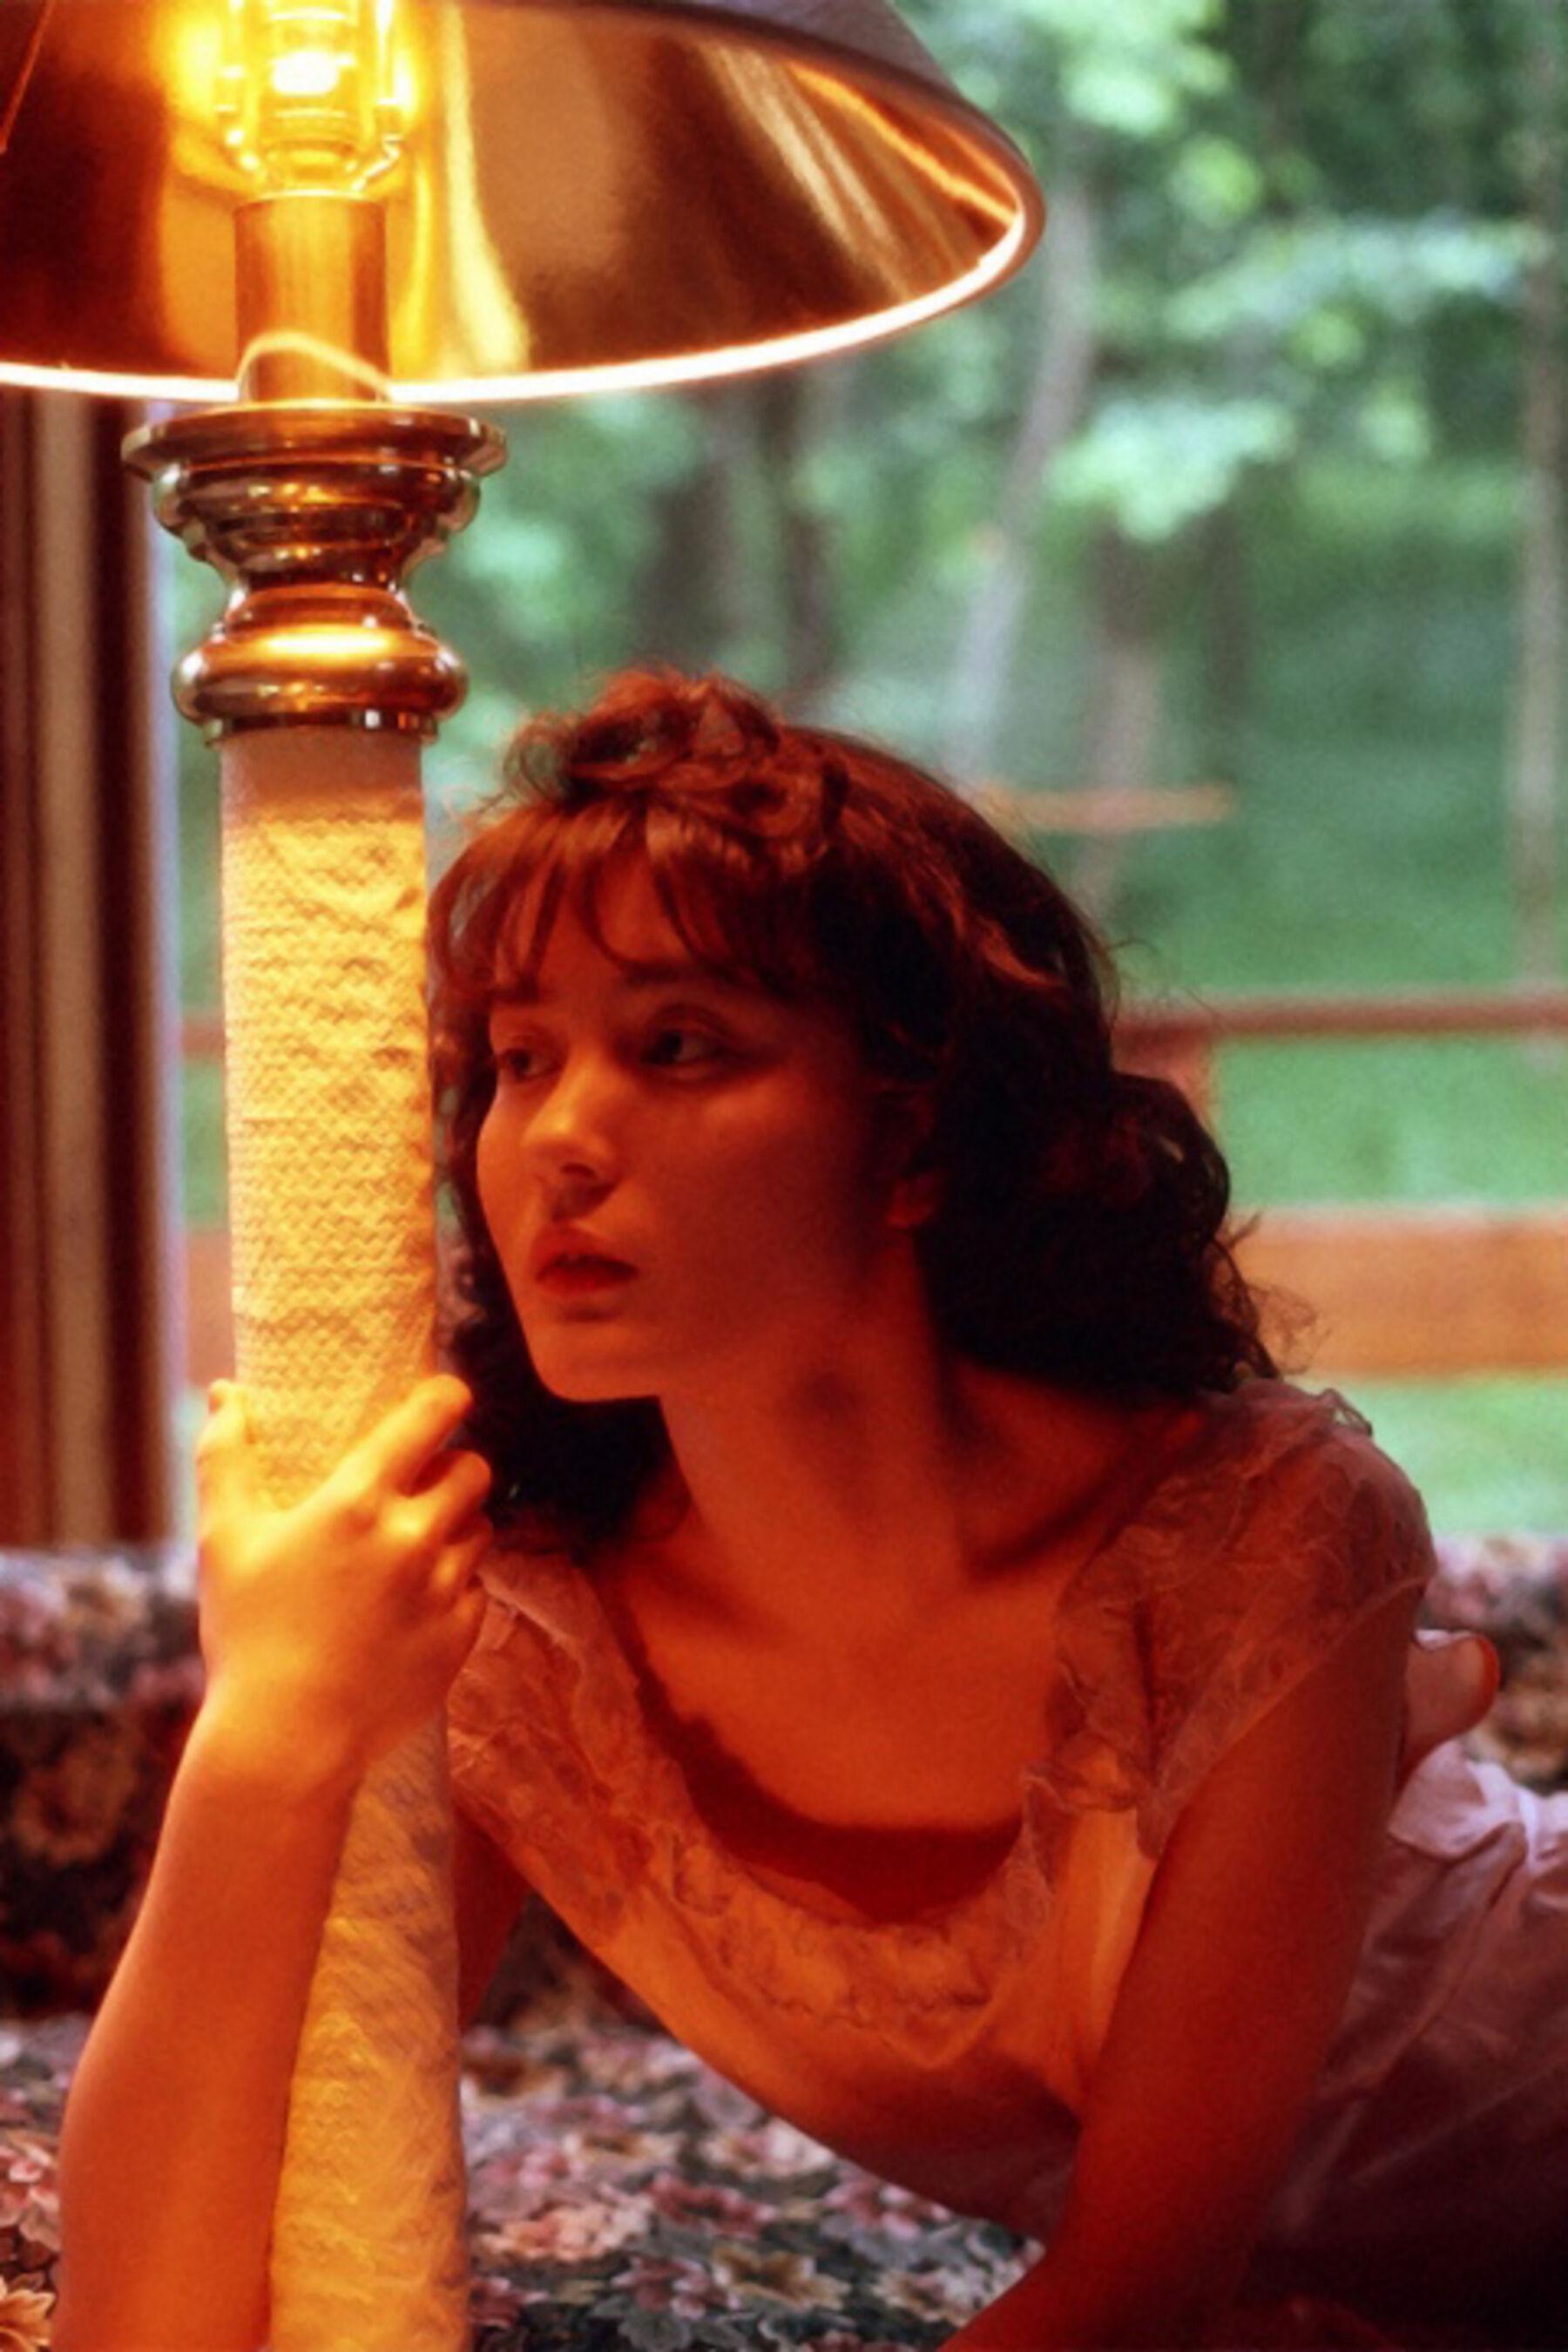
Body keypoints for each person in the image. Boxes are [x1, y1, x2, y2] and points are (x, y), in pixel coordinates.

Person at [52, 668, 1545, 2352]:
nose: (559, 1140)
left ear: (917, 1142)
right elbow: (140, 2327)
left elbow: (1136, 2298)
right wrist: (266, 1729)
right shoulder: (521, 1634)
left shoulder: (1251, 1542)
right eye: (520, 1060)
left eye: (677, 1046)